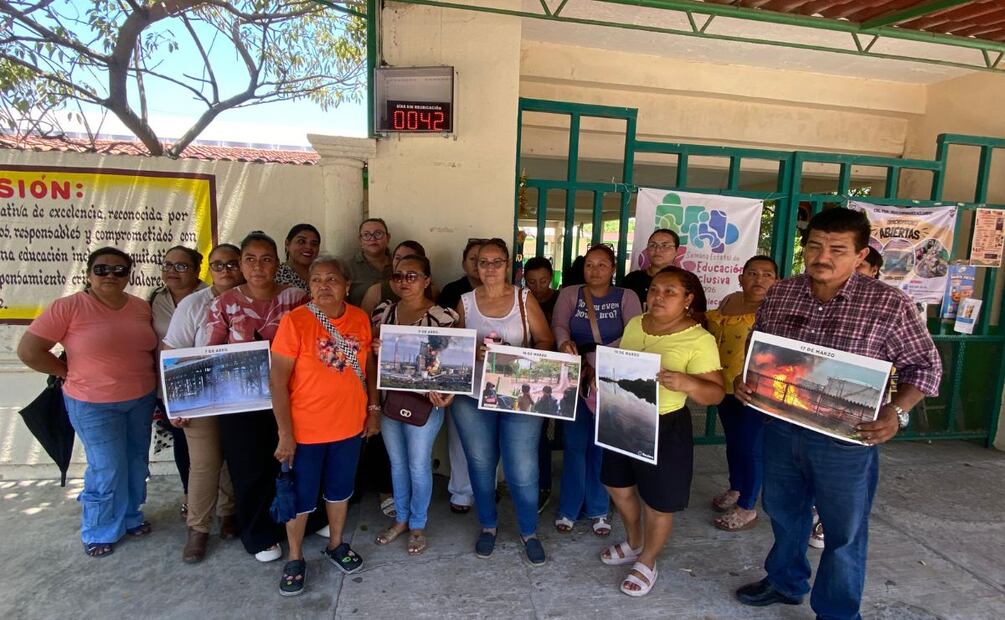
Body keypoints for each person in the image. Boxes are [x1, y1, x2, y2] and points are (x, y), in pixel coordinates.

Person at [733, 208, 941, 619]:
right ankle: (785, 581)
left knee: (843, 532)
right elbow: (760, 345)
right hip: (781, 427)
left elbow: (925, 367)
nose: (822, 257)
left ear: (861, 255)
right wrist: (747, 379)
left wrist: (897, 412)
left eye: (837, 249)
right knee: (784, 513)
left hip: (846, 441)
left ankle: (837, 612)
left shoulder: (889, 304)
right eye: (814, 246)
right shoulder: (782, 293)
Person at [17, 247, 159, 558]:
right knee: (107, 466)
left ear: (129, 276)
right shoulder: (68, 307)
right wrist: (65, 373)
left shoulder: (139, 307)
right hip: (93, 404)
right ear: (88, 273)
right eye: (102, 269)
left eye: (119, 270)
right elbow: (29, 351)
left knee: (135, 461)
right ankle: (99, 529)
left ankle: (131, 516)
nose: (110, 275)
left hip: (140, 399)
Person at [600, 267, 724, 597]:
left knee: (658, 501)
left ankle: (648, 560)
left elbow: (715, 394)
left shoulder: (699, 339)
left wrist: (687, 382)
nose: (659, 296)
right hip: (623, 414)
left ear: (688, 299)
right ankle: (634, 541)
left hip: (666, 425)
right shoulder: (635, 324)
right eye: (655, 289)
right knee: (617, 485)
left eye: (670, 292)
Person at [271, 256, 380, 596]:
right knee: (301, 498)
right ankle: (295, 557)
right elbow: (277, 380)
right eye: (316, 280)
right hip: (306, 432)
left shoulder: (360, 318)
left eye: (331, 279)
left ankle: (336, 544)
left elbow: (369, 366)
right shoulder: (295, 322)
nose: (323, 286)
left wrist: (373, 409)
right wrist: (285, 433)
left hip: (349, 427)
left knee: (340, 491)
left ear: (347, 286)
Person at [204, 231, 311, 563]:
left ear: (277, 263)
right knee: (249, 468)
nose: (258, 267)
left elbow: (313, 341)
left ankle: (302, 523)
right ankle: (259, 534)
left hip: (293, 397)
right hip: (242, 404)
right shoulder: (224, 304)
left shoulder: (296, 298)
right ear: (241, 264)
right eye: (250, 260)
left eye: (266, 259)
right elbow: (210, 355)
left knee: (296, 464)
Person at [452, 238, 555, 565]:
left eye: (497, 261)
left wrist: (515, 354)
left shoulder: (524, 299)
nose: (490, 268)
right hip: (472, 398)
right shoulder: (465, 302)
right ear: (475, 266)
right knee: (481, 466)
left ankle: (528, 531)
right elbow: (453, 348)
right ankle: (488, 525)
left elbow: (546, 340)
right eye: (483, 262)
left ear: (508, 264)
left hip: (519, 396)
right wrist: (474, 351)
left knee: (522, 469)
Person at [370, 254, 459, 556]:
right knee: (397, 464)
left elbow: (454, 362)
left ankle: (417, 524)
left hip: (426, 403)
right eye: (398, 276)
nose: (404, 282)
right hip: (389, 400)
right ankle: (401, 519)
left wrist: (445, 391)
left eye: (412, 275)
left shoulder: (443, 317)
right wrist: (376, 348)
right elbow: (371, 359)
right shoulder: (384, 312)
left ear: (426, 280)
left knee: (418, 464)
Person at [552, 243, 643, 537]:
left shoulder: (626, 297)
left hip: (611, 377)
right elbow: (559, 325)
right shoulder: (570, 294)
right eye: (590, 264)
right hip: (575, 377)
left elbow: (633, 334)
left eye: (602, 264)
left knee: (602, 446)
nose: (595, 270)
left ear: (613, 268)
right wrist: (565, 344)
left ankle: (599, 508)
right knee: (574, 444)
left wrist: (596, 358)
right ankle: (569, 507)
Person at [163, 243, 245, 563]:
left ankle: (228, 513)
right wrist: (175, 403)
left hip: (244, 396)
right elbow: (172, 353)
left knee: (234, 458)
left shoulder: (253, 299)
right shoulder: (194, 304)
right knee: (205, 463)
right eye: (218, 264)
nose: (225, 270)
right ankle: (198, 529)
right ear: (209, 269)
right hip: (199, 396)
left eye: (232, 263)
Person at [706, 255, 778, 532]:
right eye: (753, 273)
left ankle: (747, 506)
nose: (759, 279)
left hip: (753, 390)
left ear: (777, 281)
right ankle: (736, 488)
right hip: (723, 385)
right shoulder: (730, 300)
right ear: (741, 277)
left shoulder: (774, 310)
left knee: (750, 447)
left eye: (767, 274)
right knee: (734, 441)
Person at [149, 245, 208, 518]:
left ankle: (220, 503)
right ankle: (188, 495)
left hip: (205, 385)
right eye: (168, 265)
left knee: (209, 451)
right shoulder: (155, 299)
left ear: (197, 270)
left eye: (181, 266)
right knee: (183, 443)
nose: (173, 271)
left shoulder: (209, 297)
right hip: (168, 384)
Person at [436, 239, 483, 514]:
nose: (479, 265)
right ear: (464, 262)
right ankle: (462, 491)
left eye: (485, 259)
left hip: (491, 375)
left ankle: (486, 489)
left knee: (489, 441)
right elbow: (442, 334)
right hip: (458, 371)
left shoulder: (508, 293)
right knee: (459, 436)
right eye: (473, 259)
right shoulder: (453, 291)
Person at [359, 240, 439, 314]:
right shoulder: (375, 292)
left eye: (408, 258)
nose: (401, 262)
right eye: (397, 258)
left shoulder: (432, 292)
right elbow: (362, 322)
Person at [618, 229, 680, 303]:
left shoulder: (685, 280)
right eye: (653, 245)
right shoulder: (632, 279)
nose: (657, 250)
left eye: (665, 245)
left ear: (677, 251)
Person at [345, 218, 392, 306]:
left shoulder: (398, 264)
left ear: (388, 238)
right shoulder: (347, 267)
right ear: (360, 240)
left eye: (378, 234)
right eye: (366, 235)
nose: (372, 239)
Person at [437, 239, 483, 312]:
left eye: (482, 260)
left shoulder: (497, 290)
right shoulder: (450, 290)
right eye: (472, 259)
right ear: (464, 264)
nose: (477, 263)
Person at [275, 223, 321, 291]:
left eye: (314, 244)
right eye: (301, 241)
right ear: (287, 244)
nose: (309, 247)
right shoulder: (276, 275)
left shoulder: (322, 274)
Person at [524, 256, 557, 322]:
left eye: (543, 281)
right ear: (525, 280)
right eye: (532, 282)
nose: (538, 287)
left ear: (551, 278)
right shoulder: (521, 300)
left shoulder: (561, 299)